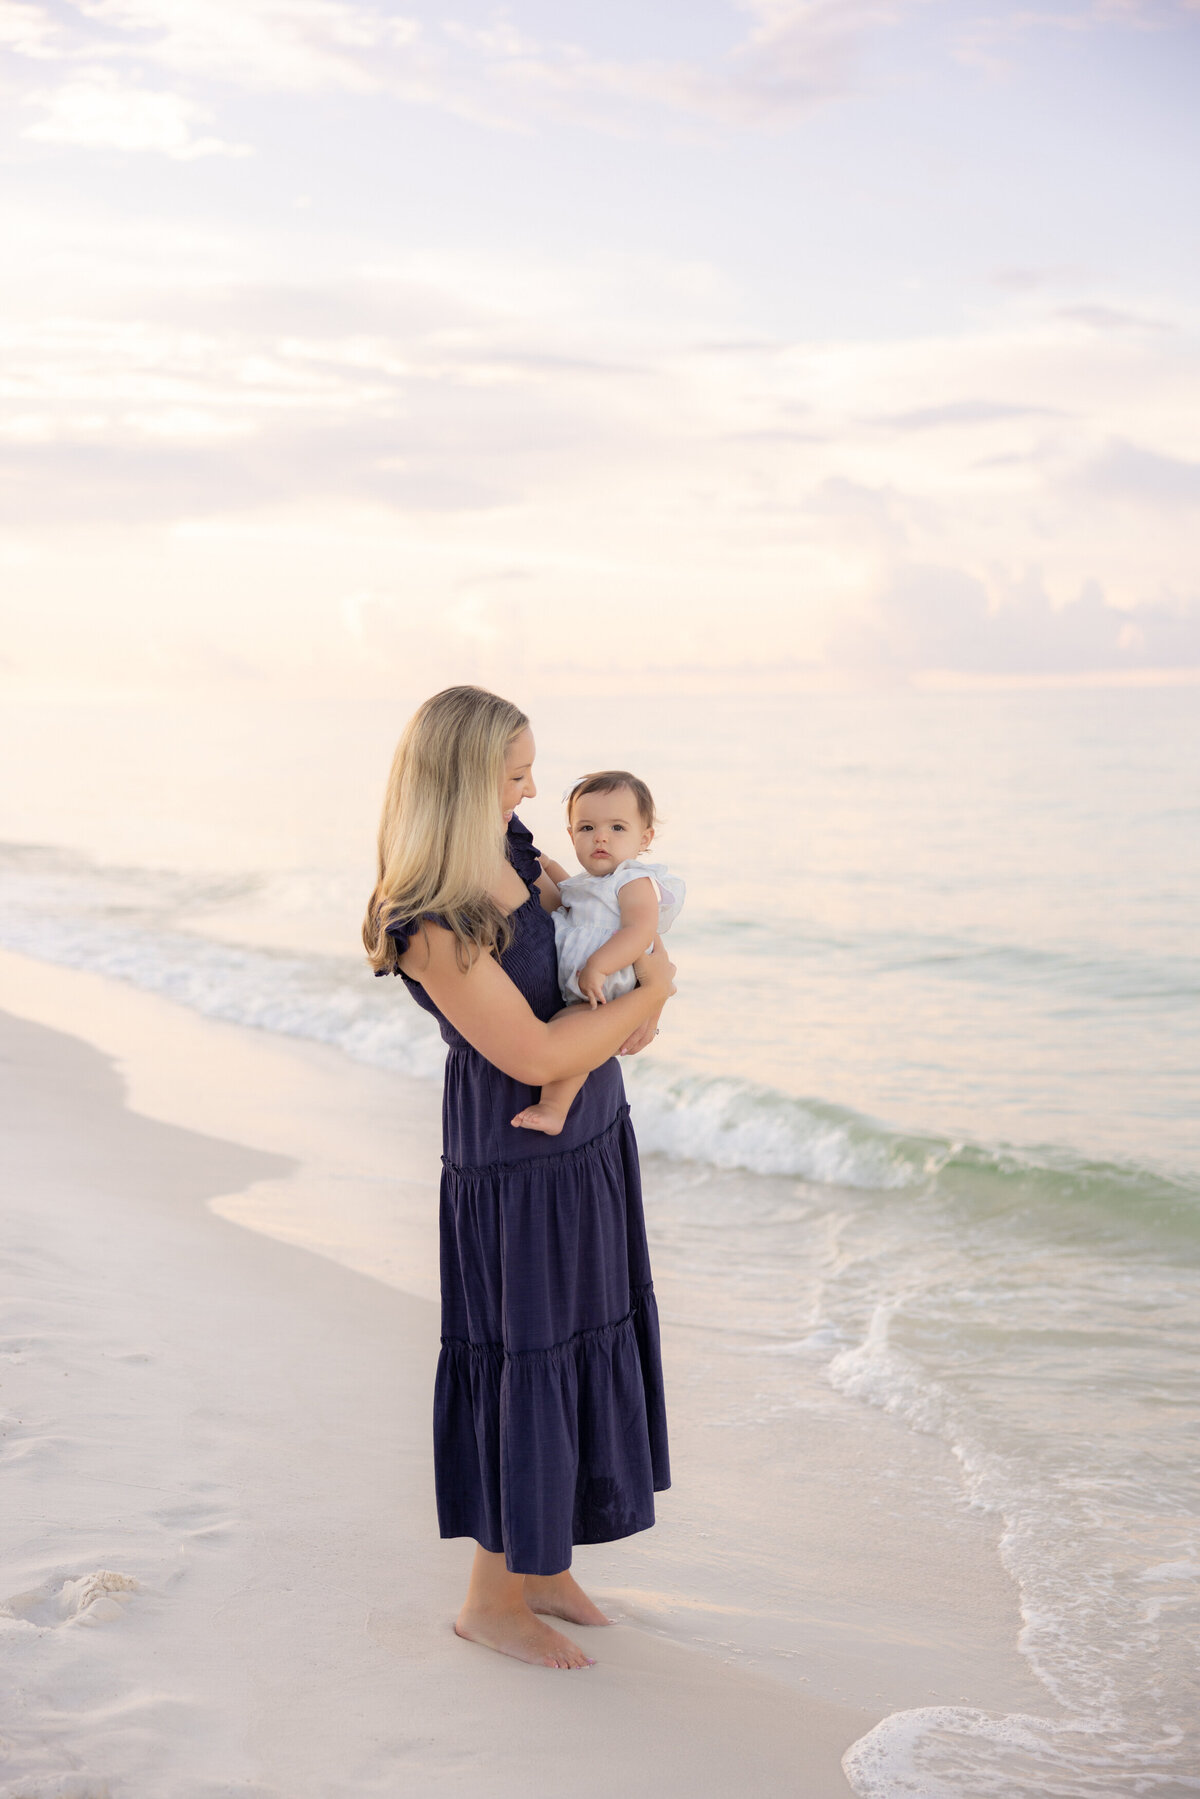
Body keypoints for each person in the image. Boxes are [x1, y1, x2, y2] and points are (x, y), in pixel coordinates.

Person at [362, 686, 676, 1672]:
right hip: (516, 1158)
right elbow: (539, 1052)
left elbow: (583, 943)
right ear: (457, 784)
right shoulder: (428, 916)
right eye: (511, 774)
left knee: (585, 1335)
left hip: (587, 1137)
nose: (532, 788)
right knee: (524, 1355)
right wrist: (654, 991)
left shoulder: (510, 848)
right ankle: (490, 1600)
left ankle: (543, 1566)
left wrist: (630, 988)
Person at [511, 770, 685, 1136]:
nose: (601, 837)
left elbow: (639, 930)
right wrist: (538, 860)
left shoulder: (634, 879)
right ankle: (555, 1107)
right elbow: (564, 888)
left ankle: (555, 1108)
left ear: (645, 837)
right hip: (592, 981)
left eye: (618, 828)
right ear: (572, 835)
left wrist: (598, 965)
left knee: (570, 1033)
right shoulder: (591, 883)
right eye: (587, 828)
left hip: (612, 980)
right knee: (573, 1038)